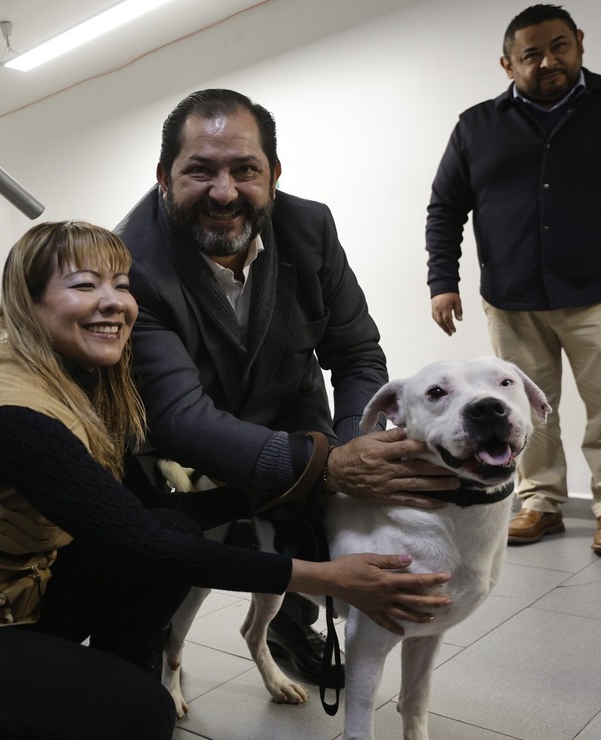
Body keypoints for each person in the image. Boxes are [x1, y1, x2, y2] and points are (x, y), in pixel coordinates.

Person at [0, 221, 452, 739]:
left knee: (167, 523)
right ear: (28, 305)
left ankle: (85, 691)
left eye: (121, 285)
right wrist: (324, 578)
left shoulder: (79, 387)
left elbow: (151, 512)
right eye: (84, 285)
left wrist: (298, 486)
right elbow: (139, 541)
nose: (115, 302)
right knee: (142, 709)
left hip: (6, 601)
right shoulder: (13, 414)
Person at [116, 89, 460, 687]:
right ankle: (150, 642)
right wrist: (330, 465)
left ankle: (292, 623)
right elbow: (180, 416)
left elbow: (355, 354)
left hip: (287, 415)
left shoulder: (311, 226)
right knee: (166, 543)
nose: (224, 192)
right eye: (199, 170)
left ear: (273, 175)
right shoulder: (131, 262)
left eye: (244, 169)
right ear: (165, 178)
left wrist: (356, 446)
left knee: (322, 518)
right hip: (173, 446)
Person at [425, 4, 601, 556]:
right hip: (510, 300)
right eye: (531, 54)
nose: (548, 61)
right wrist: (443, 280)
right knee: (522, 412)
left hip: (600, 293)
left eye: (559, 46)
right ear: (508, 64)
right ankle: (540, 503)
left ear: (579, 42)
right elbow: (445, 208)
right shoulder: (476, 126)